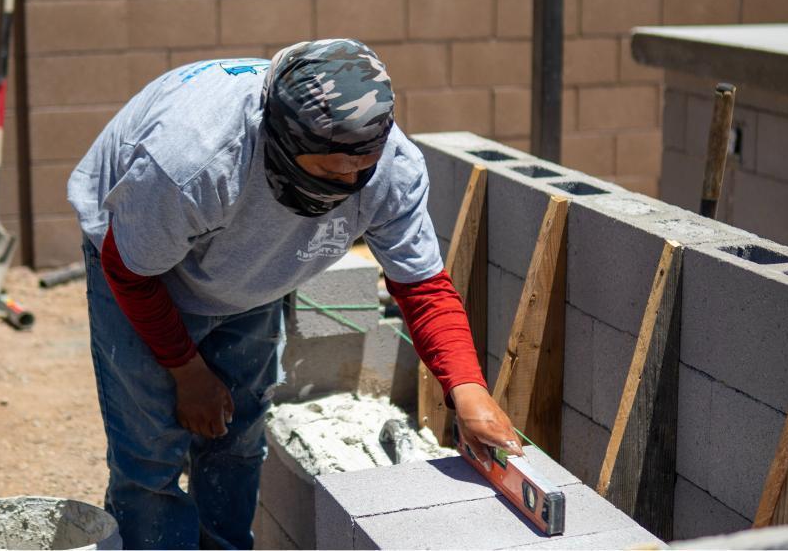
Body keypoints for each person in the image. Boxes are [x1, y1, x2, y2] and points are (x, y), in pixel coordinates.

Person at [67, 38, 522, 549]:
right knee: (150, 455)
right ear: (282, 141)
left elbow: (422, 288)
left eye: (362, 166)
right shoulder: (192, 163)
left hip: (247, 268)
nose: (352, 182)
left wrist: (468, 390)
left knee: (237, 438)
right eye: (331, 170)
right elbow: (129, 272)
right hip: (146, 267)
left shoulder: (391, 165)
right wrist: (187, 371)